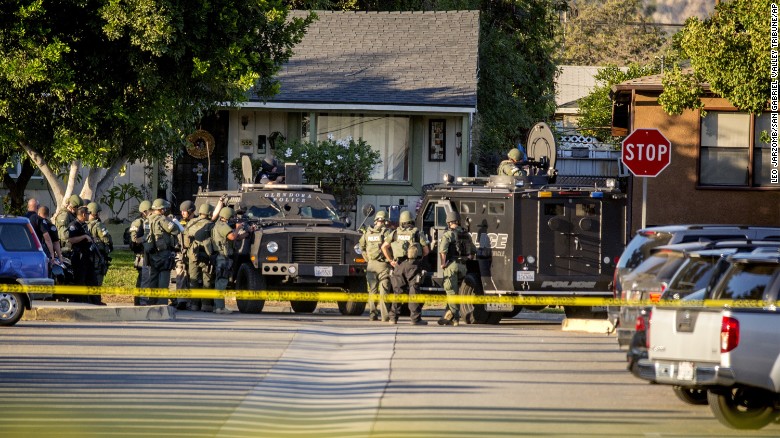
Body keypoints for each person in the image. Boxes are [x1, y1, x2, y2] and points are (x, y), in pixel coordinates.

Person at [382, 210, 430, 325]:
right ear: (411, 221)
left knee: (398, 291)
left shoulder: (394, 233)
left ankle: (393, 318)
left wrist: (390, 260)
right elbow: (426, 250)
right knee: (414, 290)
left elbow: (384, 247)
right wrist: (419, 258)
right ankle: (415, 319)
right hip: (413, 265)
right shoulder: (417, 232)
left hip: (398, 265)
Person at [211, 207, 253, 314]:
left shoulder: (220, 225)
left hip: (222, 257)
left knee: (220, 281)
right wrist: (238, 228)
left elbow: (237, 237)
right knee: (222, 282)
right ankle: (220, 308)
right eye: (232, 217)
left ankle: (217, 306)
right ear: (226, 217)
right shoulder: (222, 226)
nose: (234, 219)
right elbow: (233, 236)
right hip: (222, 258)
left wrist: (248, 233)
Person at [437, 210, 476, 326]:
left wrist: (443, 264)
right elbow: (473, 251)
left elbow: (443, 251)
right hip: (463, 267)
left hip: (451, 266)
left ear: (449, 222)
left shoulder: (448, 234)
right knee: (455, 292)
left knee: (451, 292)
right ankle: (447, 317)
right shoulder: (466, 234)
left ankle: (455, 318)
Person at [142, 199, 180, 305]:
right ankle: (162, 302)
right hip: (163, 253)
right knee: (164, 276)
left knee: (153, 276)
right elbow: (175, 229)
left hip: (151, 252)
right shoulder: (162, 219)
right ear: (161, 209)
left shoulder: (147, 220)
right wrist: (171, 220)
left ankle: (151, 301)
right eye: (165, 209)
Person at [359, 210, 392, 322]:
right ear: (385, 221)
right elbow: (391, 247)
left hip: (371, 265)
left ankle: (372, 315)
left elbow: (361, 247)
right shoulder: (387, 232)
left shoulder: (367, 233)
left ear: (376, 220)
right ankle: (385, 316)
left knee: (372, 291)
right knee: (384, 291)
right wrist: (391, 260)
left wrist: (367, 259)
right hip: (383, 265)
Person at [184, 202, 216, 312]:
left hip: (192, 255)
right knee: (207, 280)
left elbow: (185, 241)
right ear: (210, 213)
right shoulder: (211, 225)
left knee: (193, 281)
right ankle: (206, 305)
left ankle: (194, 305)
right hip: (206, 256)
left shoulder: (191, 222)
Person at [67, 206, 101, 304]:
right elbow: (71, 239)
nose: (88, 215)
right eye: (87, 214)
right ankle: (80, 301)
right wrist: (84, 237)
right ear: (83, 214)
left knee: (93, 280)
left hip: (87, 257)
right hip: (79, 257)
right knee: (80, 281)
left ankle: (96, 301)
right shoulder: (74, 225)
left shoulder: (84, 225)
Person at [171, 200, 196, 310]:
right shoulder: (180, 222)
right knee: (180, 275)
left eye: (185, 211)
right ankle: (181, 300)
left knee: (193, 277)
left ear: (191, 211)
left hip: (193, 254)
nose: (182, 213)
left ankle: (193, 301)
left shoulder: (196, 222)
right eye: (181, 211)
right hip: (181, 253)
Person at [129, 200, 151, 305]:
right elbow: (134, 240)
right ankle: (141, 302)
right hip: (142, 255)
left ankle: (140, 301)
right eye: (150, 210)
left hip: (148, 254)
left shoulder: (150, 221)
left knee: (145, 279)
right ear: (144, 212)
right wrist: (146, 238)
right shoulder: (138, 222)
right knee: (143, 279)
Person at [87, 202, 113, 287]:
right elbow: (107, 240)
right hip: (98, 257)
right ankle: (95, 299)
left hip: (87, 257)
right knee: (97, 280)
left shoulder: (83, 224)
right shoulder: (98, 225)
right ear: (95, 213)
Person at [55, 195, 82, 259]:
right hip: (65, 249)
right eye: (76, 207)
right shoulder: (64, 215)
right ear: (72, 206)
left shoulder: (71, 215)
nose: (78, 209)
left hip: (72, 248)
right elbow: (63, 235)